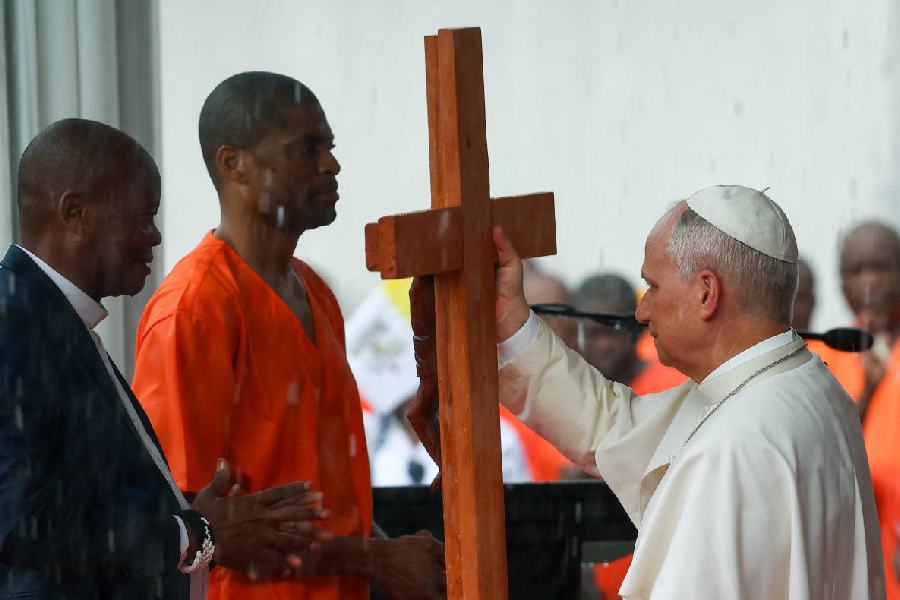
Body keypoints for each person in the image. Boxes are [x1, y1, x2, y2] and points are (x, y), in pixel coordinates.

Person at [132, 72, 445, 600]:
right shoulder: (196, 308)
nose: (332, 165)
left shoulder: (315, 291)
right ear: (235, 165)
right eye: (307, 148)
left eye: (329, 146)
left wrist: (390, 553)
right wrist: (374, 558)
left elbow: (319, 494)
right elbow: (194, 527)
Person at [492, 185, 884, 598]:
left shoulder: (731, 448)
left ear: (706, 293)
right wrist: (514, 326)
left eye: (653, 287)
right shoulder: (807, 386)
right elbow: (614, 428)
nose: (642, 312)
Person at [0, 119, 327, 599]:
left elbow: (83, 500)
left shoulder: (54, 319)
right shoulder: (14, 325)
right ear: (75, 214)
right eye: (141, 217)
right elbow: (20, 526)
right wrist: (193, 535)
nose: (153, 237)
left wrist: (198, 515)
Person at [568, 273, 685, 600]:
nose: (598, 345)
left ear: (635, 332)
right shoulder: (570, 395)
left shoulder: (672, 387)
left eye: (608, 333)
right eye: (589, 334)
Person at [819, 221, 900, 597]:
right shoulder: (822, 357)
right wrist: (868, 389)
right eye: (856, 270)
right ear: (840, 282)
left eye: (881, 268)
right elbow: (819, 460)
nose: (869, 283)